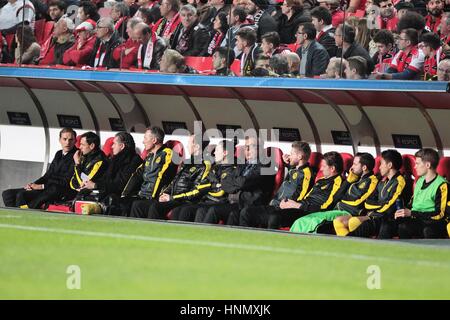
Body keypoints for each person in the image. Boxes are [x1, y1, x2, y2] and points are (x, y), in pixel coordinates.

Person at [291, 153, 378, 234]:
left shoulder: (372, 181)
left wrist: (342, 201)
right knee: (301, 220)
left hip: (347, 213)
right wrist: (348, 181)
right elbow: (337, 196)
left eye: (355, 164)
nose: (351, 167)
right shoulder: (354, 179)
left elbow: (358, 202)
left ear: (364, 167)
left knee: (315, 223)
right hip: (335, 210)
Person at [197, 135, 275, 225]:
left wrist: (235, 185)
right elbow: (225, 182)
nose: (247, 150)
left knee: (218, 211)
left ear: (260, 149)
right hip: (235, 203)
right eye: (246, 147)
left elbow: (244, 182)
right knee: (203, 210)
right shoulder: (243, 164)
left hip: (250, 204)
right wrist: (237, 183)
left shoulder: (266, 165)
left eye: (251, 147)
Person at [237, 141, 314, 229]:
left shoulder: (306, 173)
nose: (289, 156)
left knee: (247, 213)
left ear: (300, 156)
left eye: (292, 154)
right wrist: (287, 163)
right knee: (245, 212)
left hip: (284, 208)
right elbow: (293, 173)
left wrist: (287, 204)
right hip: (274, 205)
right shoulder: (294, 169)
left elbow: (301, 194)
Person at [134, 133, 212, 219]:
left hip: (185, 200)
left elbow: (198, 191)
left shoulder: (205, 165)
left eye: (189, 143)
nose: (187, 145)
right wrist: (164, 194)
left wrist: (172, 197)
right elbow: (174, 181)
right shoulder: (186, 163)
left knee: (156, 207)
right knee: (138, 204)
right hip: (174, 198)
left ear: (196, 146)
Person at [2, 128, 77, 209]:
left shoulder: (77, 155)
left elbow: (66, 181)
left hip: (57, 190)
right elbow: (47, 176)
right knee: (7, 194)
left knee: (22, 195)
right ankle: (14, 215)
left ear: (75, 141)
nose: (67, 142)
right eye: (65, 139)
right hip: (46, 187)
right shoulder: (58, 153)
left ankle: (23, 215)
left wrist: (41, 186)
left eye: (71, 140)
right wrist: (32, 185)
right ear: (60, 140)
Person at [170, 139, 238, 222]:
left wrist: (209, 186)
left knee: (192, 211)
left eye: (217, 150)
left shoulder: (232, 170)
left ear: (225, 153)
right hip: (205, 200)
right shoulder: (215, 168)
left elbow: (220, 192)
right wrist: (213, 185)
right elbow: (202, 185)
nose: (214, 153)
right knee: (178, 210)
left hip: (218, 202)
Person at [346, 149, 407, 239]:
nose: (379, 167)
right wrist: (380, 206)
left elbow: (389, 206)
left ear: (389, 165)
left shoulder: (400, 181)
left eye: (381, 164)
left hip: (387, 219)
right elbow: (368, 202)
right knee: (352, 225)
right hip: (375, 216)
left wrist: (376, 208)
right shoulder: (382, 182)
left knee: (355, 227)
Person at [392, 148, 449, 238]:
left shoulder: (442, 185)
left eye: (417, 163)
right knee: (395, 224)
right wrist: (402, 212)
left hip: (433, 222)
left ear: (427, 165)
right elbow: (412, 203)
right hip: (417, 219)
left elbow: (440, 214)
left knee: (428, 231)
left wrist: (413, 213)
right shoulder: (419, 181)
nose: (415, 167)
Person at [120, 126, 177, 217]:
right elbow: (137, 175)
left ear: (154, 140)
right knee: (121, 202)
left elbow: (162, 176)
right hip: (143, 195)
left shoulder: (168, 154)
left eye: (145, 138)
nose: (143, 141)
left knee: (137, 205)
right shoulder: (149, 156)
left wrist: (152, 196)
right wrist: (125, 194)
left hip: (155, 196)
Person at [79, 132, 142, 206]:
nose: (112, 147)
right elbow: (105, 179)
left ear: (121, 146)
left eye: (114, 144)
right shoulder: (114, 160)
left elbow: (120, 185)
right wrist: (90, 183)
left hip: (122, 198)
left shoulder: (133, 162)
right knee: (83, 193)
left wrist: (95, 185)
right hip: (109, 192)